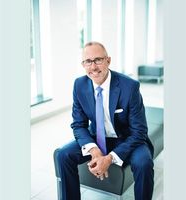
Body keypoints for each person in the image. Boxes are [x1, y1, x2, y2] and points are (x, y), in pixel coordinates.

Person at [56, 41, 154, 200]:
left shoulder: (130, 87)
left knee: (144, 163)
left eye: (98, 60)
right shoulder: (79, 85)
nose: (93, 67)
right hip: (97, 137)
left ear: (108, 60)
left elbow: (139, 132)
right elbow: (78, 125)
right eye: (88, 61)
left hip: (128, 139)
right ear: (83, 64)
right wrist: (94, 151)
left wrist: (109, 158)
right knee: (63, 155)